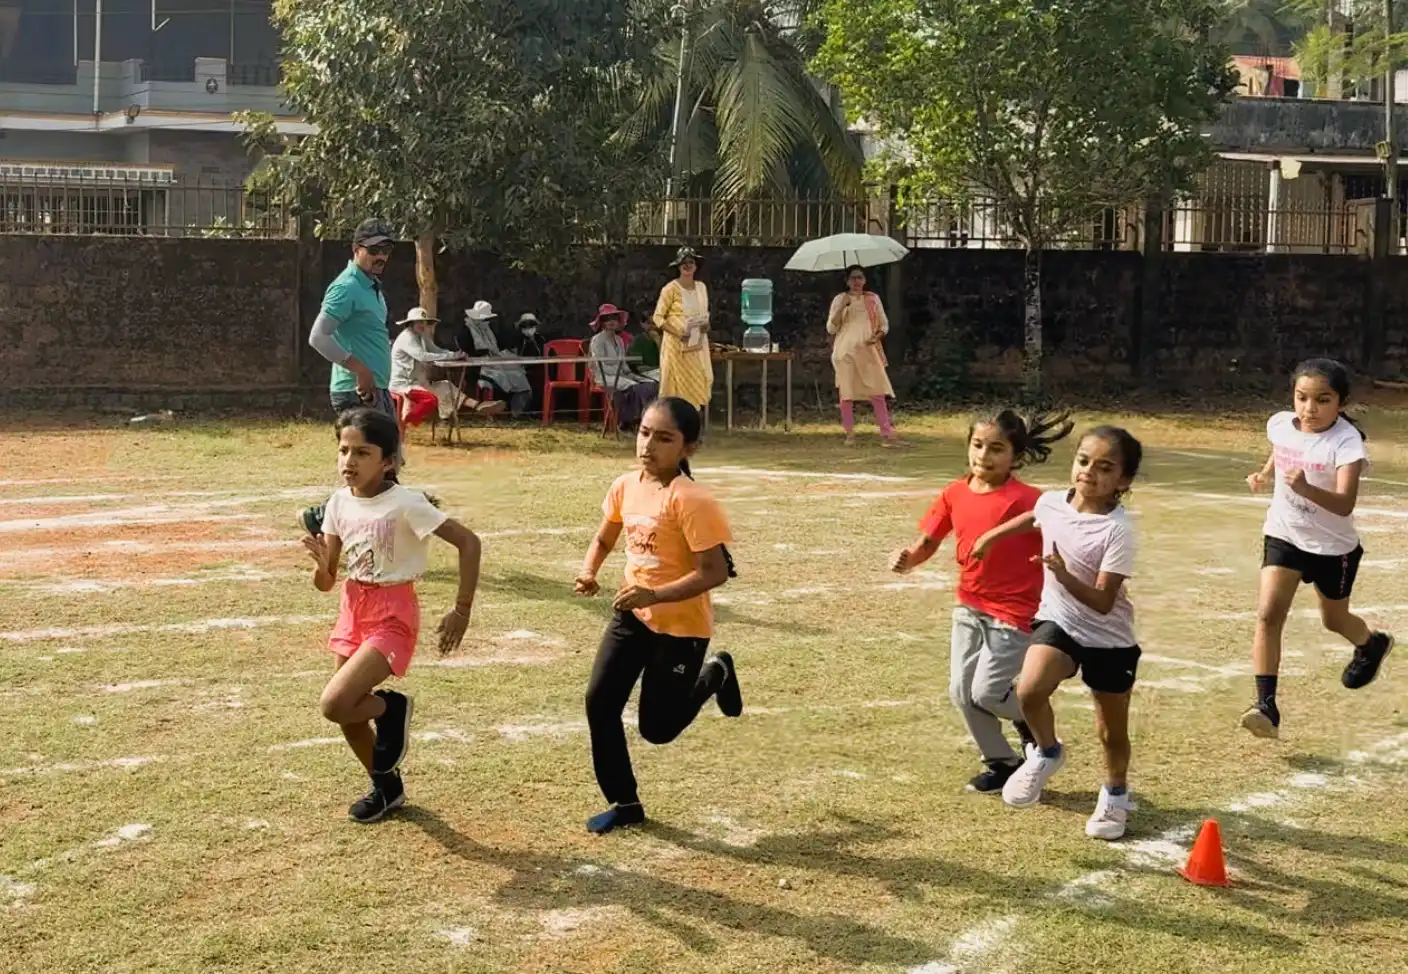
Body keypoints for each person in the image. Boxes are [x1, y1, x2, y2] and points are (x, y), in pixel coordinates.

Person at [302, 408, 482, 824]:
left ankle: (393, 709)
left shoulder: (405, 503)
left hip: (393, 613)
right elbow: (327, 582)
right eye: (343, 450)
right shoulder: (336, 504)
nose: (349, 460)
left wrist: (462, 610)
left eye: (362, 453)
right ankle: (387, 789)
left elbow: (469, 543)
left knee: (334, 703)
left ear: (388, 461)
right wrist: (320, 564)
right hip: (352, 608)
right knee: (349, 715)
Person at [574, 397, 743, 835]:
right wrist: (589, 570)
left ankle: (716, 673)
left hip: (681, 628)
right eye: (645, 432)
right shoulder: (625, 485)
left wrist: (654, 592)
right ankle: (624, 802)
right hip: (633, 617)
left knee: (658, 729)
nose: (649, 444)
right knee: (600, 703)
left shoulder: (692, 500)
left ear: (688, 448)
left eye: (665, 438)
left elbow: (715, 572)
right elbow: (606, 534)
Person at [970, 426, 1144, 840]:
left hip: (1109, 639)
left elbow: (1103, 601)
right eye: (1083, 461)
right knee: (1029, 690)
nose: (1088, 473)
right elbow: (1035, 515)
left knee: (1110, 731)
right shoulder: (1052, 502)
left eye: (1104, 468)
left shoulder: (1118, 531)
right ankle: (1047, 752)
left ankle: (1115, 795)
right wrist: (991, 537)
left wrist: (1063, 574)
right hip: (1060, 623)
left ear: (1123, 481)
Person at [890, 410, 1073, 792]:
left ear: (1015, 457)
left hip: (1016, 612)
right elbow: (928, 541)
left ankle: (1032, 725)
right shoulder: (954, 492)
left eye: (996, 449)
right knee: (961, 692)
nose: (984, 456)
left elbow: (1064, 537)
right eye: (977, 445)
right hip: (969, 606)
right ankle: (1002, 761)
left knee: (987, 693)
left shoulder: (1029, 500)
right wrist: (908, 559)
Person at [1242, 358, 1394, 739]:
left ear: (1340, 402)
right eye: (1302, 398)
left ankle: (1371, 644)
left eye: (1322, 400)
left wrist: (1305, 487)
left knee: (1334, 620)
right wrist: (1265, 474)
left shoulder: (1346, 442)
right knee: (1268, 615)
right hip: (1284, 534)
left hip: (1333, 548)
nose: (1310, 409)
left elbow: (1345, 503)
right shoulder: (1279, 424)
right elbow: (1283, 449)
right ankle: (1266, 707)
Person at [300, 218, 400, 536]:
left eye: (386, 250)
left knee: (383, 466)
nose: (381, 256)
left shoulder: (371, 286)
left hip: (374, 389)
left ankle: (327, 519)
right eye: (374, 250)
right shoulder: (346, 287)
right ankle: (326, 519)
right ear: (357, 249)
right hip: (357, 391)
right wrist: (359, 369)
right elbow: (318, 337)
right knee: (377, 467)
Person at [827, 264, 898, 446]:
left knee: (877, 391)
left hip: (868, 349)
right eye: (853, 278)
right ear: (847, 281)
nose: (857, 281)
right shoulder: (840, 299)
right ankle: (849, 433)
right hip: (845, 351)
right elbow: (831, 328)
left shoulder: (872, 299)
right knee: (846, 392)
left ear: (865, 280)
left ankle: (886, 433)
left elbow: (883, 325)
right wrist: (842, 307)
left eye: (860, 277)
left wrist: (877, 336)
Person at [388, 307, 486, 430]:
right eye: (418, 322)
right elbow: (422, 356)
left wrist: (455, 355)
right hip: (404, 385)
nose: (422, 325)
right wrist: (450, 356)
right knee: (430, 400)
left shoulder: (422, 336)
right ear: (411, 323)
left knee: (446, 386)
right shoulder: (407, 337)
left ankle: (476, 406)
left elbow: (436, 350)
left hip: (419, 383)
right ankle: (403, 421)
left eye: (424, 322)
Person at [652, 247, 714, 413]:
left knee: (698, 379)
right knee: (677, 385)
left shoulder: (701, 288)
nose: (687, 266)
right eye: (684, 263)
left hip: (697, 344)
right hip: (676, 347)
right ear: (678, 266)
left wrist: (705, 326)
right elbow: (658, 318)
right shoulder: (670, 289)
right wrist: (679, 333)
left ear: (696, 266)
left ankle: (693, 424)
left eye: (691, 262)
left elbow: (704, 313)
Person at [589, 303, 659, 430]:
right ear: (603, 322)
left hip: (622, 376)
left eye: (614, 318)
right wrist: (622, 374)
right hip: (604, 376)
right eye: (608, 319)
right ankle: (626, 421)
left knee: (650, 384)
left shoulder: (619, 340)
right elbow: (600, 366)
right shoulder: (597, 340)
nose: (611, 322)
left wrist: (634, 375)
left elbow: (624, 364)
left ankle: (645, 420)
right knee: (635, 388)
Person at [458, 301, 533, 418]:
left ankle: (517, 413)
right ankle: (493, 410)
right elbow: (467, 351)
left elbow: (498, 346)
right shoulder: (465, 331)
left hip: (493, 362)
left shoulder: (488, 329)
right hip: (478, 368)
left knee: (518, 375)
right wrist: (484, 353)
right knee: (501, 375)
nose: (485, 322)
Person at [627, 311, 662, 381]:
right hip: (645, 373)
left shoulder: (662, 338)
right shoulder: (638, 340)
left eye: (655, 324)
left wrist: (658, 341)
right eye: (649, 323)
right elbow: (638, 367)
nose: (653, 327)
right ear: (642, 324)